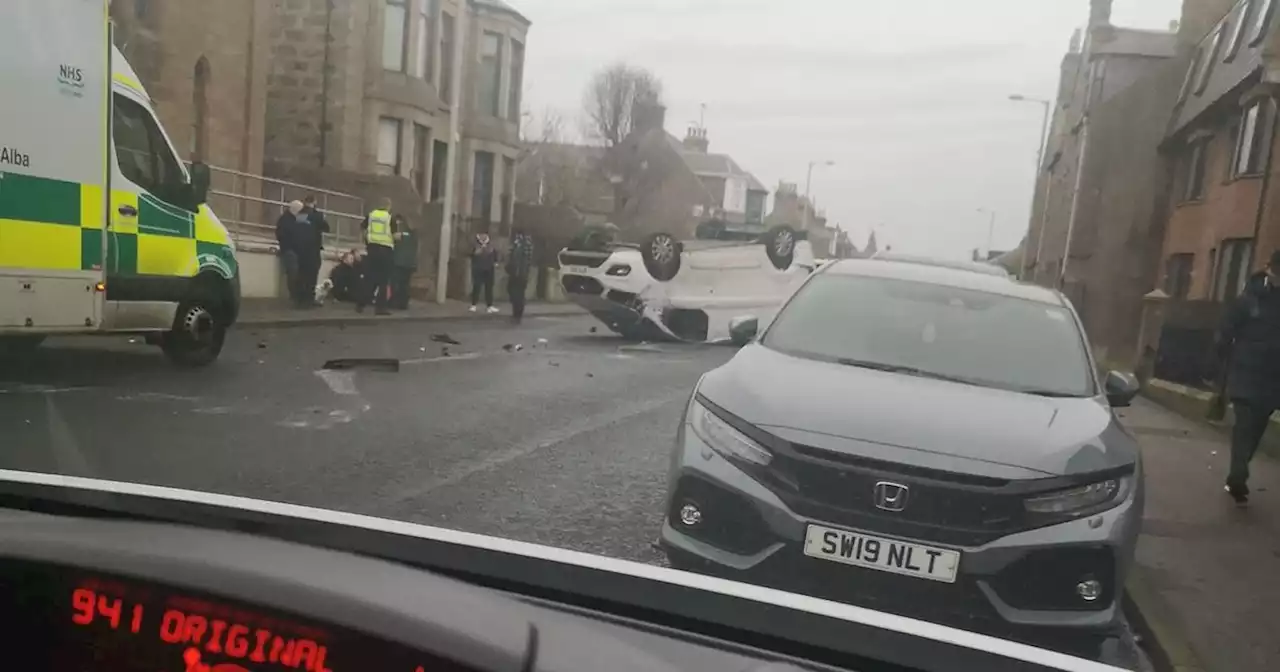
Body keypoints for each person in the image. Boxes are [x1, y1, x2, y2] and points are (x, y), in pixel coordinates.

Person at [1216, 250, 1280, 505]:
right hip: (1245, 372)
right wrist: (1223, 362)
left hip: (1272, 378)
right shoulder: (1248, 300)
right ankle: (1238, 474)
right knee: (1244, 425)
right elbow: (1226, 330)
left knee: (1257, 427)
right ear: (1270, 268)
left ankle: (1240, 470)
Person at [358, 197, 397, 315]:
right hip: (385, 251)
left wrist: (366, 241)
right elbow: (394, 236)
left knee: (369, 278)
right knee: (383, 280)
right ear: (388, 206)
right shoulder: (390, 218)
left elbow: (362, 229)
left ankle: (360, 304)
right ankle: (380, 308)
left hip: (372, 250)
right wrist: (400, 237)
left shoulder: (371, 215)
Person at [294, 195, 330, 306]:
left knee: (301, 273)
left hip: (300, 249)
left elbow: (298, 229)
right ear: (314, 202)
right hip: (313, 249)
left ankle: (300, 299)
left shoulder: (300, 214)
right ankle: (309, 299)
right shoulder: (317, 215)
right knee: (312, 274)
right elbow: (326, 228)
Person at [274, 201, 306, 306]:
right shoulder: (286, 220)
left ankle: (296, 294)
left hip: (292, 249)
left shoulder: (288, 219)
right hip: (289, 249)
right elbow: (282, 235)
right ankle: (294, 294)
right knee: (293, 272)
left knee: (295, 272)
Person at [506, 228, 534, 323]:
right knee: (512, 291)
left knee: (519, 294)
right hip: (514, 273)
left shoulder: (526, 245)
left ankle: (518, 314)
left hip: (521, 274)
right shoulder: (516, 244)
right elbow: (510, 256)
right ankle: (516, 312)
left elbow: (526, 260)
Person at [390, 214, 418, 310]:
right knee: (405, 284)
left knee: (397, 283)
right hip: (409, 263)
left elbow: (395, 238)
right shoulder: (414, 234)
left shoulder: (401, 233)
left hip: (399, 262)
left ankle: (396, 302)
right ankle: (403, 304)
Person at [470, 232, 499, 313]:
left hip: (489, 269)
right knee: (477, 287)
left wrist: (495, 262)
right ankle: (473, 304)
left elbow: (495, 254)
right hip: (478, 269)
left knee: (489, 288)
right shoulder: (475, 243)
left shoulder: (491, 244)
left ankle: (489, 306)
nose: (483, 237)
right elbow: (472, 254)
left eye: (484, 235)